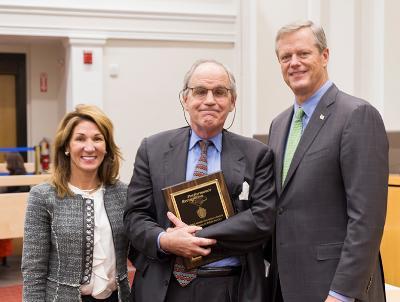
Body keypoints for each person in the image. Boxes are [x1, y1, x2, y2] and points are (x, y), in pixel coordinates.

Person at [124, 59, 276, 302]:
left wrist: (194, 237)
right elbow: (135, 217)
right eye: (200, 91)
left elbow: (262, 219)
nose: (209, 100)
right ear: (185, 99)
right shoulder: (152, 150)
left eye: (219, 92)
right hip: (166, 287)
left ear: (233, 102)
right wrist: (166, 240)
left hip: (231, 287)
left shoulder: (257, 155)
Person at [267, 20, 388, 302]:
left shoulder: (357, 115)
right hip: (285, 287)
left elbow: (367, 219)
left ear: (325, 56)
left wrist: (341, 293)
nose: (294, 63)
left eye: (303, 53)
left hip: (336, 290)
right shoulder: (278, 124)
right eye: (286, 57)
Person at [21, 104, 130, 302]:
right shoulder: (43, 196)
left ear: (106, 148)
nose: (90, 147)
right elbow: (33, 270)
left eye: (97, 139)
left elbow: (141, 248)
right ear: (66, 147)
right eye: (80, 139)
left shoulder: (123, 193)